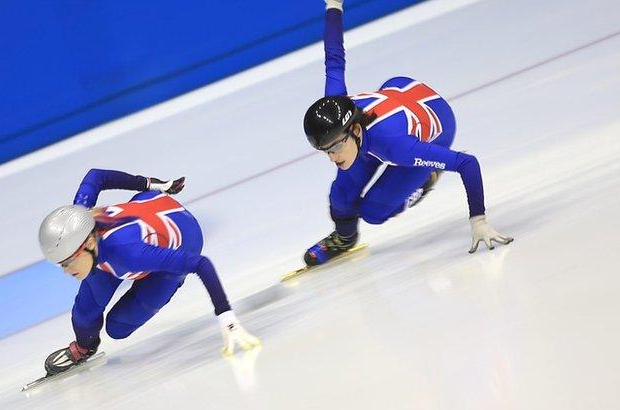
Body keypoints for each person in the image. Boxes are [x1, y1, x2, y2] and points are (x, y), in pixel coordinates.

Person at [302, 0, 513, 266]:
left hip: (436, 126)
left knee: (373, 212)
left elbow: (466, 163)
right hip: (399, 92)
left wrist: (478, 219)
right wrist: (334, 6)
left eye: (334, 148)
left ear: (354, 129)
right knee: (341, 197)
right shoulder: (336, 106)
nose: (331, 157)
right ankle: (344, 239)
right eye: (325, 150)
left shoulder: (400, 148)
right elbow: (333, 58)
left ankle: (428, 176)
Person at [38, 169, 259, 375]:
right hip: (146, 210)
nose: (66, 272)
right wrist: (147, 183)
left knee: (118, 327)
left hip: (182, 237)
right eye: (61, 264)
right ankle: (85, 347)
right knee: (84, 314)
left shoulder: (129, 253)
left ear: (88, 243)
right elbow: (95, 176)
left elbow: (201, 264)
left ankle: (165, 279)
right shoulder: (79, 217)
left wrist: (227, 318)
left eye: (69, 262)